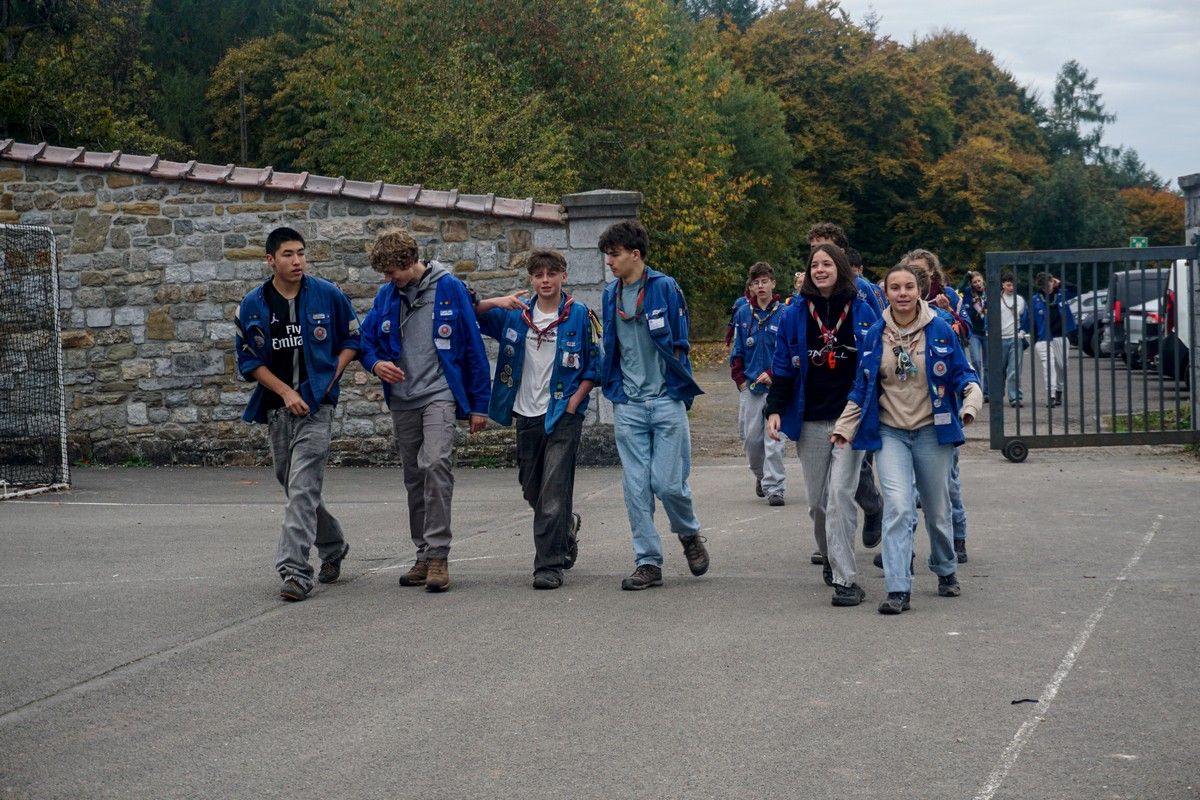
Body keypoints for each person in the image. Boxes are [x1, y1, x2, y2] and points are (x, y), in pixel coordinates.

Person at [832, 262, 982, 615]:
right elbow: (861, 388)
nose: (902, 294)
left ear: (920, 291)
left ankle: (945, 567)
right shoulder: (875, 335)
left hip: (933, 431)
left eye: (909, 287)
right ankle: (898, 587)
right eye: (895, 288)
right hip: (890, 432)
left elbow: (963, 374)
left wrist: (971, 401)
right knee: (898, 507)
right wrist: (843, 428)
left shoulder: (940, 328)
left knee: (937, 511)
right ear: (885, 292)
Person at [359, 228, 491, 593]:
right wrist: (375, 365)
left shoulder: (449, 287)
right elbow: (365, 341)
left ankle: (438, 557)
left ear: (408, 261)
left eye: (391, 272)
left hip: (439, 393)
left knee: (435, 463)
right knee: (414, 476)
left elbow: (473, 346)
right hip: (403, 399)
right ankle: (422, 554)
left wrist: (480, 404)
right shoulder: (386, 295)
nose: (387, 279)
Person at [234, 226, 361, 602]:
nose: (297, 261)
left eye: (301, 253)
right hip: (277, 410)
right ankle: (333, 545)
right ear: (270, 260)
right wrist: (286, 392)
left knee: (303, 487)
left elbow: (353, 339)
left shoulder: (328, 295)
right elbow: (249, 362)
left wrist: (330, 376)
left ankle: (294, 571)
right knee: (294, 486)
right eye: (288, 254)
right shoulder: (252, 305)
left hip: (318, 409)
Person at [474, 249, 600, 590]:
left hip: (562, 414)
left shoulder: (579, 315)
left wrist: (574, 402)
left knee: (553, 490)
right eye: (538, 275)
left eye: (551, 274)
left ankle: (548, 566)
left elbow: (594, 365)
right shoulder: (516, 315)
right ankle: (565, 527)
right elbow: (469, 313)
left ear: (563, 276)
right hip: (526, 413)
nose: (545, 280)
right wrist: (496, 302)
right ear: (531, 279)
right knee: (533, 489)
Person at [765, 244, 878, 606]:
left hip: (849, 417)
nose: (820, 269)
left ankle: (846, 580)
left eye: (827, 263)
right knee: (818, 502)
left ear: (840, 267)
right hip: (811, 418)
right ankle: (830, 554)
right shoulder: (794, 312)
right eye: (815, 264)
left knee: (840, 496)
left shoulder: (862, 307)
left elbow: (876, 360)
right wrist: (774, 409)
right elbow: (783, 364)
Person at [599, 219, 709, 591]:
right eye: (607, 255)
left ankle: (688, 533)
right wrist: (615, 391)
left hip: (665, 401)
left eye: (614, 254)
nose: (609, 261)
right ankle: (647, 562)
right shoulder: (610, 294)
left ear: (636, 254)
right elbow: (611, 346)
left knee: (668, 484)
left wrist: (680, 390)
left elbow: (680, 343)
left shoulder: (664, 287)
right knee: (636, 488)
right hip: (629, 404)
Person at [806, 223, 884, 554]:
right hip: (820, 395)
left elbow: (882, 332)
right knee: (826, 478)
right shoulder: (808, 291)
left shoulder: (863, 291)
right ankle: (830, 541)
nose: (819, 256)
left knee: (855, 467)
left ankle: (873, 507)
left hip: (855, 393)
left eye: (825, 248)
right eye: (813, 250)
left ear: (841, 251)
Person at [730, 261, 787, 505]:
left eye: (765, 281)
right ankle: (761, 475)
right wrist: (740, 380)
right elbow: (737, 350)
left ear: (773, 283)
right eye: (756, 282)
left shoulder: (785, 314)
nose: (761, 286)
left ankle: (775, 488)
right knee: (751, 441)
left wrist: (774, 373)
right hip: (751, 387)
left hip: (777, 387)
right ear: (751, 287)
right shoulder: (743, 313)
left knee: (774, 440)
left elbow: (789, 350)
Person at [1031, 272, 1077, 408]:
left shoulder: (1062, 294)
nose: (1047, 288)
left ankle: (1059, 390)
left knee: (1062, 366)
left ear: (1053, 282)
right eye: (1044, 287)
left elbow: (1076, 290)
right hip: (1043, 338)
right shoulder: (1036, 299)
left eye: (1049, 285)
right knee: (1049, 366)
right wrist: (1035, 341)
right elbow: (1033, 321)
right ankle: (1050, 396)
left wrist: (1061, 283)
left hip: (1060, 335)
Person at [998, 273, 1029, 408]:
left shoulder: (1020, 300)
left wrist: (1022, 332)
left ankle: (1015, 397)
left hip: (1015, 338)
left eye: (1013, 285)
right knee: (999, 371)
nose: (1011, 288)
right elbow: (988, 317)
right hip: (999, 339)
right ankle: (997, 396)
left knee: (1014, 370)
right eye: (1009, 285)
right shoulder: (996, 299)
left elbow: (1026, 318)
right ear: (1003, 285)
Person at [964, 270, 988, 398]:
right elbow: (959, 289)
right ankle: (978, 390)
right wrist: (966, 276)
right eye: (974, 282)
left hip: (988, 331)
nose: (978, 284)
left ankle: (987, 392)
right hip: (974, 333)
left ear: (983, 280)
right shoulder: (968, 293)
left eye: (979, 281)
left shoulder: (988, 292)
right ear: (971, 284)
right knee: (976, 362)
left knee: (988, 364)